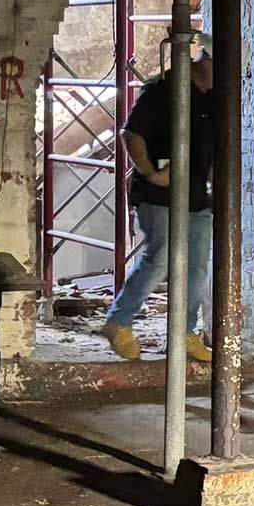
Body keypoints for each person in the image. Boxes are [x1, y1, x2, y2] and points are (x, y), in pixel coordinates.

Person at [102, 41, 214, 363]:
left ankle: (183, 334)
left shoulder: (215, 98)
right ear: (207, 61)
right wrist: (150, 172)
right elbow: (131, 134)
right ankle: (118, 323)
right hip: (158, 195)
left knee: (196, 268)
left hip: (195, 196)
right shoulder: (164, 91)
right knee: (163, 256)